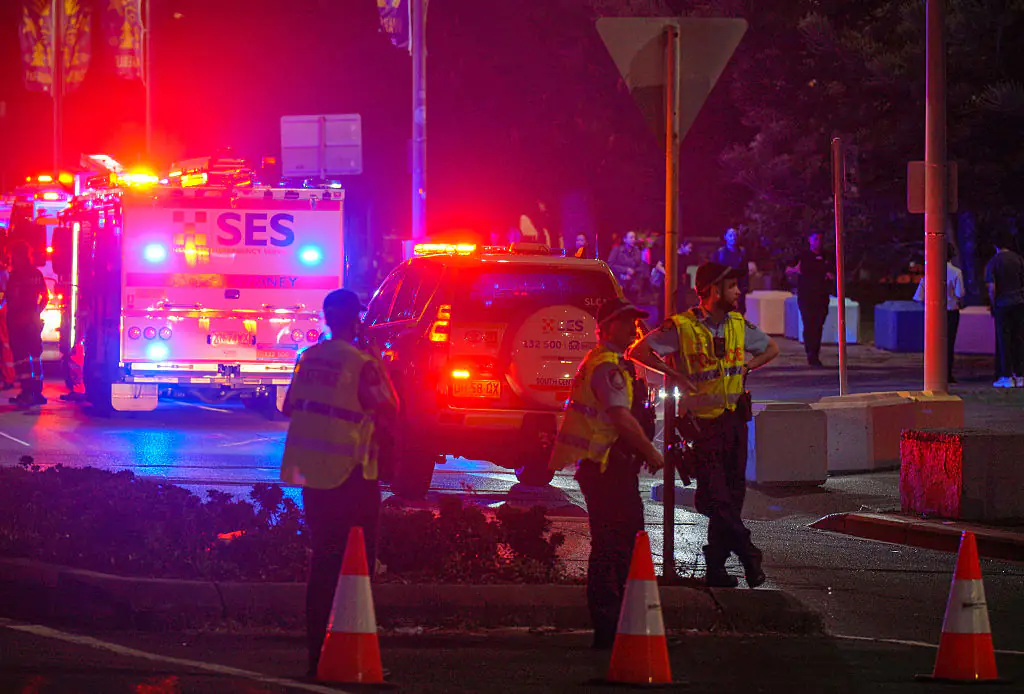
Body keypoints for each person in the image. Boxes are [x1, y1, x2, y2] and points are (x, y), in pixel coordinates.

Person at [628, 262, 779, 589]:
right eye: (732, 287)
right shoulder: (681, 327)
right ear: (712, 290)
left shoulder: (738, 323)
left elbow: (771, 348)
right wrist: (674, 374)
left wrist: (748, 366)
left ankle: (716, 569)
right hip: (701, 427)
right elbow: (638, 351)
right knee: (716, 499)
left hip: (735, 422)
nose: (739, 292)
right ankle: (749, 553)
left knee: (732, 497)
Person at [280, 288, 400, 677]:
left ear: (327, 317)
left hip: (313, 474)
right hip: (353, 475)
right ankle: (351, 645)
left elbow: (289, 406)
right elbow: (389, 407)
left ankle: (317, 654)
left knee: (323, 560)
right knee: (357, 564)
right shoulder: (363, 362)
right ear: (356, 318)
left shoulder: (308, 358)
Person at [548, 297, 664, 650]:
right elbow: (620, 418)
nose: (635, 328)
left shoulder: (615, 363)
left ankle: (616, 628)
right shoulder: (606, 366)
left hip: (610, 468)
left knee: (620, 546)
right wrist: (650, 451)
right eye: (627, 322)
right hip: (605, 469)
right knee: (613, 548)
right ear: (609, 327)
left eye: (636, 321)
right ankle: (609, 630)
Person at [912, 243, 965, 383]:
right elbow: (960, 293)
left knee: (933, 343)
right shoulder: (956, 272)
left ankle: (933, 373)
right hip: (951, 311)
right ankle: (947, 374)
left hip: (933, 314)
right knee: (949, 343)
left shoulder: (930, 273)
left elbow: (919, 297)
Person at [5, 241, 49, 407]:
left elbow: (10, 298)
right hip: (33, 320)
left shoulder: (16, 275)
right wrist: (36, 312)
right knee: (36, 355)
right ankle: (37, 392)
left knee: (21, 358)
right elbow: (45, 296)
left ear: (17, 255)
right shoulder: (36, 273)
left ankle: (26, 392)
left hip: (18, 322)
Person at [785, 231, 835, 367]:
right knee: (809, 324)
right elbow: (789, 269)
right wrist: (795, 271)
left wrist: (830, 276)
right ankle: (811, 354)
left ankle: (815, 352)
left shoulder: (827, 256)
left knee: (818, 325)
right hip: (806, 296)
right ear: (810, 240)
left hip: (822, 296)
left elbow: (833, 272)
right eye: (816, 239)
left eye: (820, 239)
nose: (818, 242)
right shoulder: (803, 256)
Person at [984, 232, 1024, 388]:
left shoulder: (994, 262)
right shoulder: (1019, 259)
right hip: (1019, 303)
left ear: (995, 246)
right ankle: (1020, 375)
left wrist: (993, 305)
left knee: (1003, 340)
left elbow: (991, 287)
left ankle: (1005, 376)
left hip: (1002, 304)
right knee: (1019, 338)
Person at [712, 228, 753, 314]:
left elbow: (745, 272)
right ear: (725, 237)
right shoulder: (720, 253)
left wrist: (745, 288)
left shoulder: (742, 252)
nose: (733, 237)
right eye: (730, 235)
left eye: (735, 235)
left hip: (738, 289)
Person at [607, 231, 646, 303]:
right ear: (625, 239)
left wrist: (633, 272)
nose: (633, 239)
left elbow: (641, 267)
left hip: (633, 285)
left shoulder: (637, 251)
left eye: (634, 237)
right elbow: (610, 265)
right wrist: (625, 270)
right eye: (631, 237)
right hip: (620, 283)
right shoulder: (617, 250)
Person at [0, 254, 16, 390]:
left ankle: (8, 378)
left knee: (5, 345)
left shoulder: (3, 273)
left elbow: (6, 294)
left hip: (2, 312)